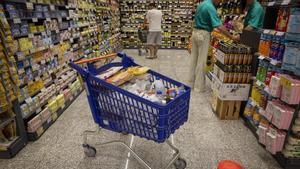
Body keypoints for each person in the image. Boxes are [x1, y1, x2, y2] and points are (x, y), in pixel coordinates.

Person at [189, 0, 239, 93]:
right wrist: (232, 37)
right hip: (203, 34)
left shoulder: (203, 3)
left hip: (195, 32)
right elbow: (219, 26)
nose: (219, 2)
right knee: (202, 61)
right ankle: (198, 87)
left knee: (193, 59)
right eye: (219, 0)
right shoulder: (210, 7)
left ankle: (190, 83)